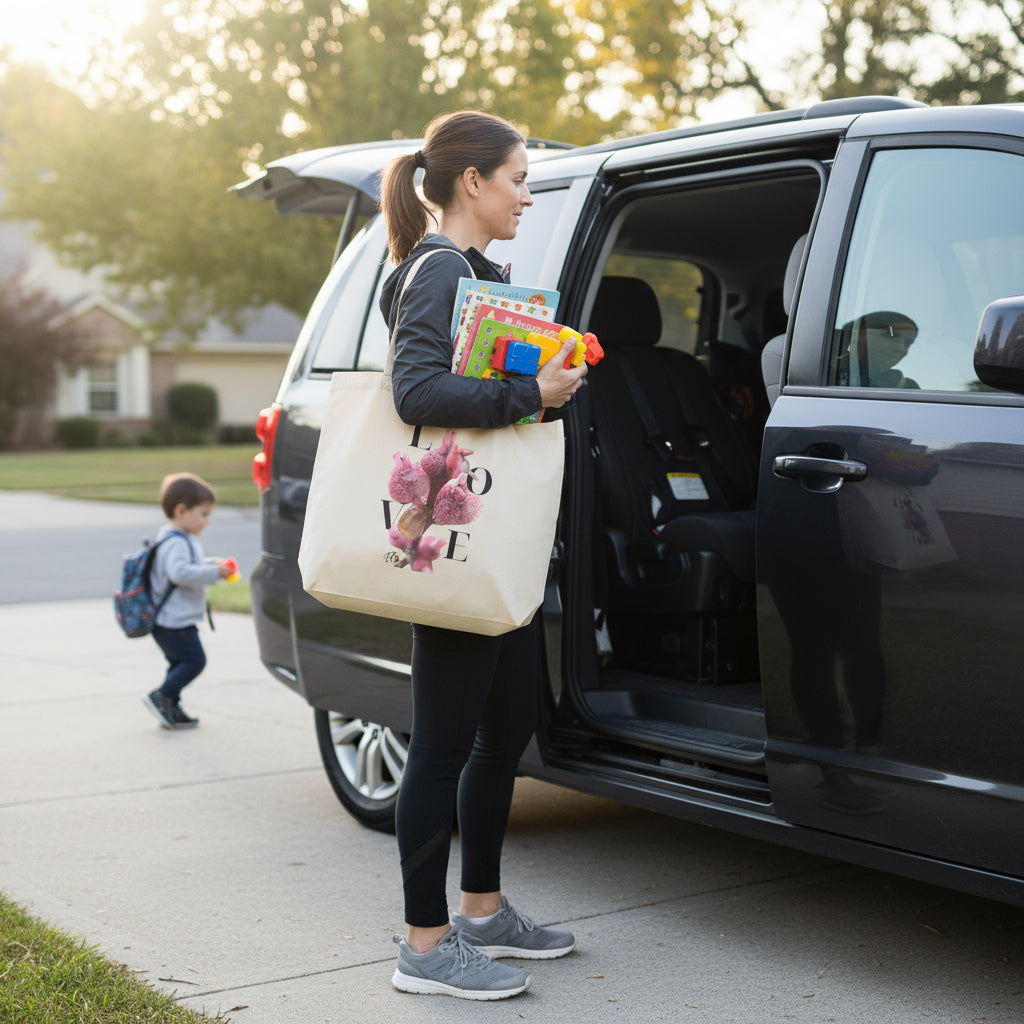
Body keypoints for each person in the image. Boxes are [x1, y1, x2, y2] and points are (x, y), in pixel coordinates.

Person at [378, 110, 585, 1001]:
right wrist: (528, 391)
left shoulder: (477, 274)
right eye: (519, 179)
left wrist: (547, 373)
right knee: (442, 745)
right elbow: (414, 390)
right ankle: (425, 948)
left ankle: (483, 910)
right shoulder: (435, 272)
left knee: (504, 731)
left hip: (491, 536)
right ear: (473, 182)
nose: (527, 195)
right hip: (453, 535)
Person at [142, 472, 233, 730]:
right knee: (194, 662)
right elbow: (179, 573)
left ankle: (170, 705)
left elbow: (187, 567)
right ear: (181, 511)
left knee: (179, 664)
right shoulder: (176, 543)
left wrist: (211, 564)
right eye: (203, 514)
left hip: (170, 620)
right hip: (174, 621)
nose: (207, 521)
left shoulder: (173, 538)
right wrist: (214, 572)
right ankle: (161, 696)